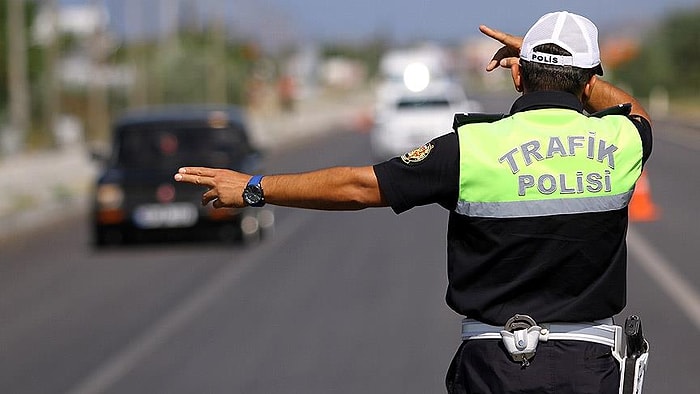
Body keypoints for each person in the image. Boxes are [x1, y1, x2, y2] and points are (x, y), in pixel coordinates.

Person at [174, 11, 652, 394]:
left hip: (496, 367)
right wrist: (572, 75)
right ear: (589, 83)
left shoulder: (469, 148)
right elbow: (632, 108)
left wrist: (255, 186)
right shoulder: (623, 140)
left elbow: (358, 186)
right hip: (591, 368)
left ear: (518, 75)